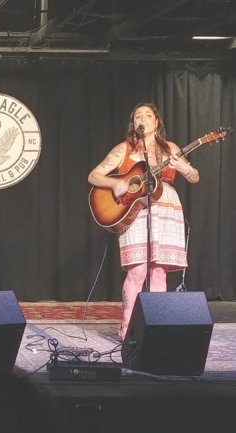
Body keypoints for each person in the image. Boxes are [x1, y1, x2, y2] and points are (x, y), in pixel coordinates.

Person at [88, 103, 199, 341]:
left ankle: (156, 326)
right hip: (134, 209)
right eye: (139, 115)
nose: (143, 118)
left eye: (148, 115)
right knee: (138, 269)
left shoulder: (170, 148)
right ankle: (127, 327)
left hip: (166, 205)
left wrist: (185, 168)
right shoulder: (123, 149)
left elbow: (194, 177)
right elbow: (94, 175)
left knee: (159, 270)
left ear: (156, 122)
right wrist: (115, 183)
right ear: (134, 123)